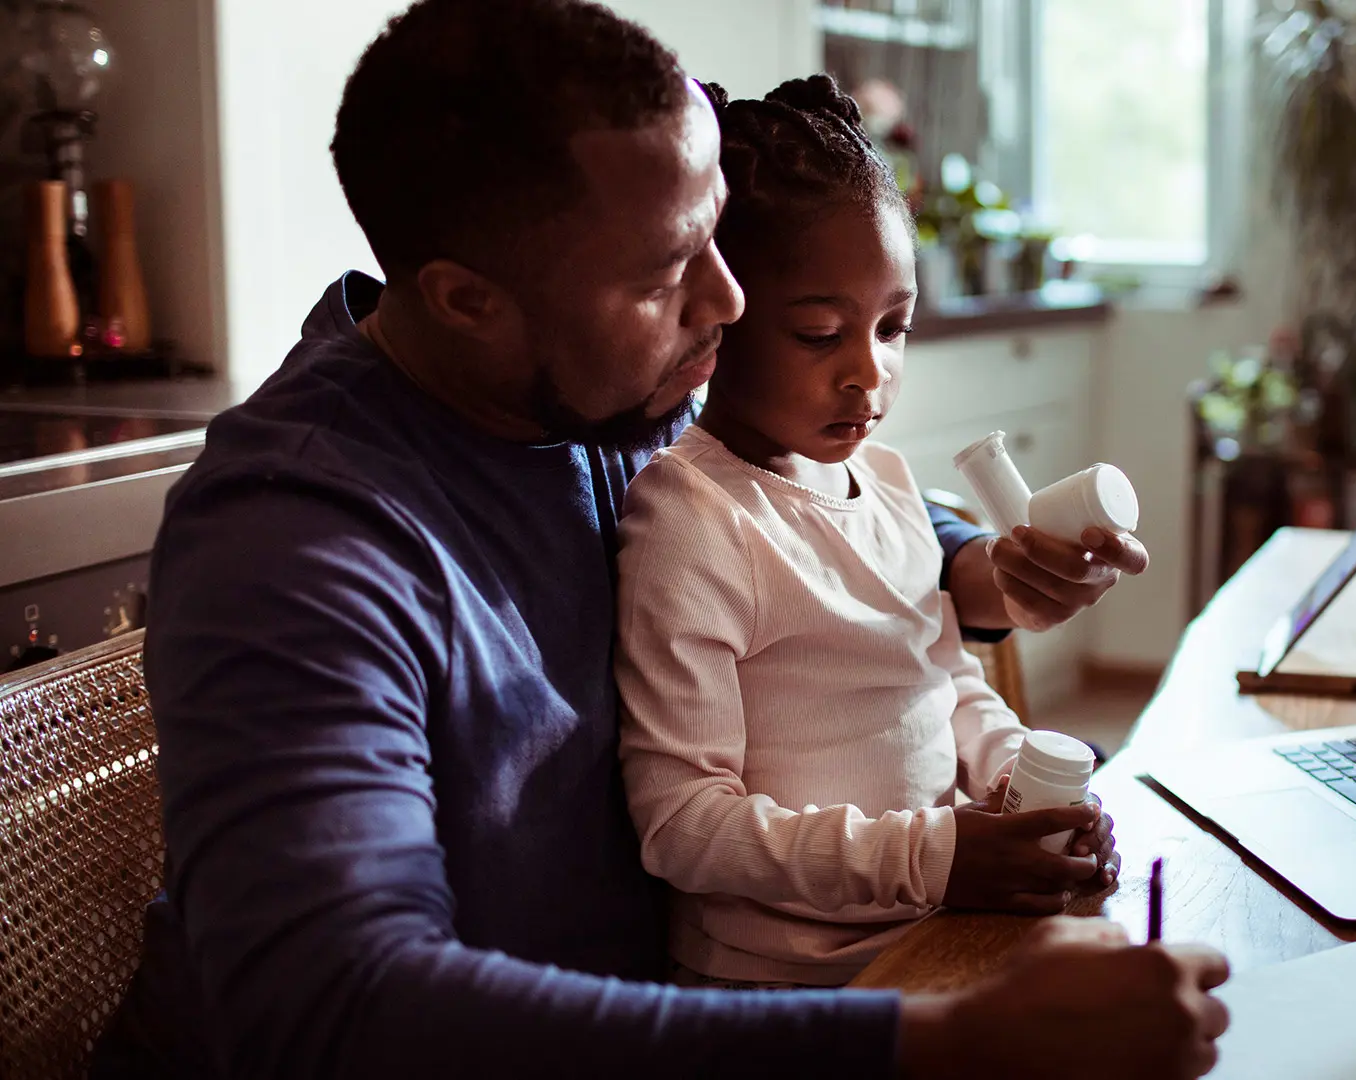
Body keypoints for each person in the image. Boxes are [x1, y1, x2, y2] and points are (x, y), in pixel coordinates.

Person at [93, 2, 1229, 1076]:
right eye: (666, 273)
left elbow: (792, 488)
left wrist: (978, 564)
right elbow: (339, 1010)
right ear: (465, 299)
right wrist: (938, 1049)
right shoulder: (298, 544)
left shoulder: (611, 378)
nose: (729, 303)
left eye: (716, 242)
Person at [613, 76, 1115, 989]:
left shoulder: (882, 483)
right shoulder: (693, 523)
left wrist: (1019, 779)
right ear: (720, 310)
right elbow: (685, 824)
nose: (868, 375)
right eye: (818, 334)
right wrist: (938, 857)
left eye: (894, 328)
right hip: (787, 980)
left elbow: (943, 678)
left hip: (929, 923)